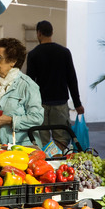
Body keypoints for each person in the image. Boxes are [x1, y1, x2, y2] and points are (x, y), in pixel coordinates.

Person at [26, 20, 85, 149]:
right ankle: (59, 161)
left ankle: (46, 164)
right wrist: (77, 103)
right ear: (52, 32)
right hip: (60, 102)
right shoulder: (64, 52)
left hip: (40, 104)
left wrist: (28, 104)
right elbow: (72, 79)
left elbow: (30, 82)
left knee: (42, 139)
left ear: (39, 33)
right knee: (61, 138)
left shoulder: (33, 54)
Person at [0, 38, 44, 146]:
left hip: (23, 148)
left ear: (12, 62)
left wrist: (10, 120)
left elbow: (37, 118)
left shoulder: (27, 85)